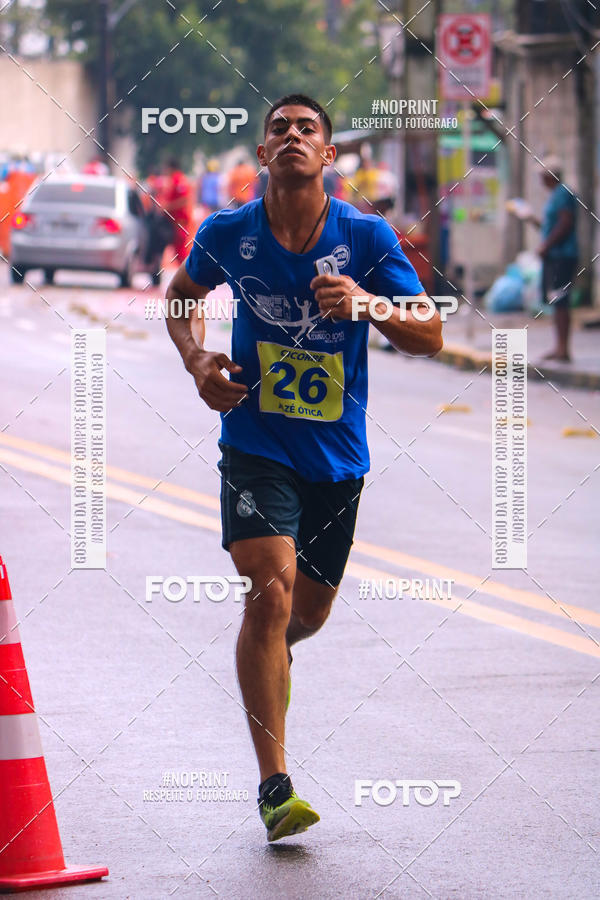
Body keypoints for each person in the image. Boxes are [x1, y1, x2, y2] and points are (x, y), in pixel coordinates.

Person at [165, 93, 442, 843]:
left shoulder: (365, 236)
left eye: (306, 129)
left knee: (303, 615)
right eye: (278, 129)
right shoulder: (230, 232)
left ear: (327, 156)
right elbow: (180, 297)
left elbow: (433, 334)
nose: (291, 135)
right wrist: (197, 361)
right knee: (269, 590)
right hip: (255, 446)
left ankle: (269, 652)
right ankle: (275, 788)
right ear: (262, 155)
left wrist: (368, 305)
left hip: (336, 459)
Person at [528, 156, 578, 361]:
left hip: (562, 257)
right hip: (555, 256)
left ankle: (563, 349)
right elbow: (551, 226)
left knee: (561, 301)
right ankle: (559, 347)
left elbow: (565, 224)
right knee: (557, 302)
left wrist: (546, 246)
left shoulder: (563, 193)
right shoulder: (556, 195)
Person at [163, 157, 192, 263]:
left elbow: (184, 200)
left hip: (180, 220)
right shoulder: (174, 180)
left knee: (181, 251)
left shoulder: (179, 180)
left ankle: (187, 275)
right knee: (178, 250)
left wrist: (168, 207)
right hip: (174, 221)